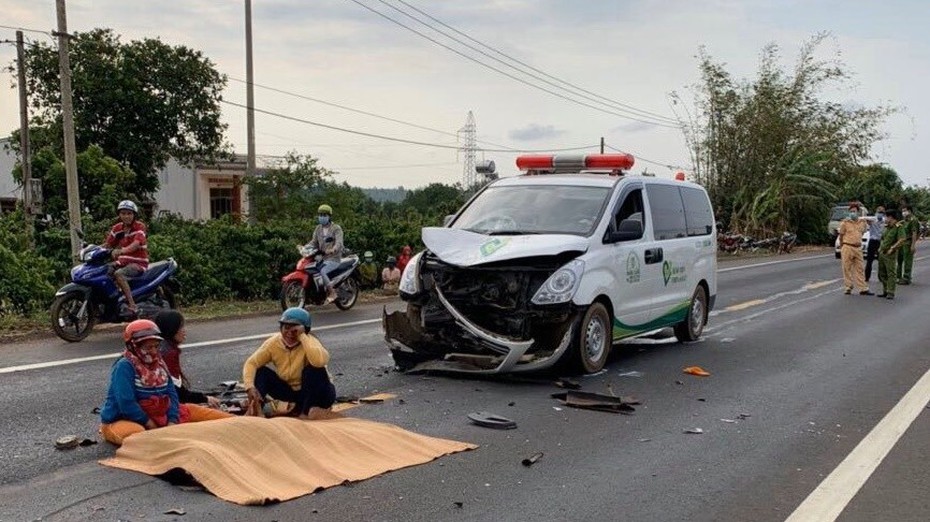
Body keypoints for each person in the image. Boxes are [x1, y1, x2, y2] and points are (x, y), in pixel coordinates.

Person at [99, 320, 232, 446]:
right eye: (148, 347)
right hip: (124, 419)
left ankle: (244, 423)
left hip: (160, 415)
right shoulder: (124, 366)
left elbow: (172, 394)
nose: (153, 351)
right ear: (133, 346)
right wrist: (150, 423)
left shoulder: (160, 363)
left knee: (209, 416)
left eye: (156, 346)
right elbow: (126, 402)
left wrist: (172, 421)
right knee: (140, 437)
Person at [242, 308, 336, 420]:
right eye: (286, 328)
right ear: (280, 328)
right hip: (292, 393)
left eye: (295, 330)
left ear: (304, 330)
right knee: (260, 372)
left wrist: (302, 337)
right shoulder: (273, 343)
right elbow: (251, 363)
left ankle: (305, 413)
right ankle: (256, 410)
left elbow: (319, 362)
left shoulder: (311, 342)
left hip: (318, 393)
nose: (290, 334)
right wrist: (250, 387)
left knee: (313, 370)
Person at [153, 310, 225, 409]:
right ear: (172, 329)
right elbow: (178, 393)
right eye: (181, 327)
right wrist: (205, 399)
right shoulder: (169, 353)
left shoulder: (159, 347)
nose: (184, 331)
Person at [104, 200, 149, 315]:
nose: (126, 216)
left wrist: (122, 250)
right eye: (123, 213)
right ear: (119, 214)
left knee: (119, 274)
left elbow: (136, 244)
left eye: (129, 213)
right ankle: (112, 300)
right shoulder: (117, 228)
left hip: (138, 262)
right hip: (123, 261)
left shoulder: (140, 227)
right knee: (103, 270)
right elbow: (107, 245)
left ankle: (132, 305)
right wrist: (90, 249)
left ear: (134, 215)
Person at [308, 204, 344, 303]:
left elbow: (339, 243)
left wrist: (333, 249)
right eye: (320, 215)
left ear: (329, 216)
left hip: (333, 258)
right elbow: (313, 242)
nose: (322, 217)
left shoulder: (336, 228)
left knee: (322, 271)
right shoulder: (318, 228)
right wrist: (304, 247)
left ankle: (332, 293)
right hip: (321, 258)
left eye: (324, 215)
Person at [836, 204, 872, 295]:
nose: (852, 213)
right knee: (846, 268)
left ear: (858, 212)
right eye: (851, 211)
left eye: (854, 211)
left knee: (860, 268)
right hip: (847, 246)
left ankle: (863, 288)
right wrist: (841, 246)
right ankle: (848, 287)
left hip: (858, 247)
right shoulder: (845, 223)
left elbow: (863, 232)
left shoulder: (862, 222)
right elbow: (841, 235)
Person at [877, 209, 908, 300]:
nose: (885, 219)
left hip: (890, 253)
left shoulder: (898, 227)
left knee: (891, 273)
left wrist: (893, 248)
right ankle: (885, 290)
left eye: (886, 217)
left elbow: (902, 239)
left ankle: (890, 291)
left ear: (890, 217)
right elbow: (883, 238)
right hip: (882, 252)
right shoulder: (887, 227)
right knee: (881, 273)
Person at [897, 204, 919, 285]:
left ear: (909, 211)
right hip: (901, 243)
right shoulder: (903, 221)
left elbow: (914, 233)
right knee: (899, 260)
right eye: (902, 211)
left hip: (908, 243)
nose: (903, 212)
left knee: (907, 261)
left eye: (905, 211)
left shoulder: (913, 220)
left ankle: (906, 277)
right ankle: (898, 277)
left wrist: (913, 245)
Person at [864, 206, 884, 282]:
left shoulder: (884, 220)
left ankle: (881, 277)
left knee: (881, 260)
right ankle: (866, 277)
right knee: (869, 260)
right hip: (872, 241)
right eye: (879, 212)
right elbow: (865, 219)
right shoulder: (873, 219)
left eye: (881, 212)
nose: (880, 214)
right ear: (876, 212)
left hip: (880, 242)